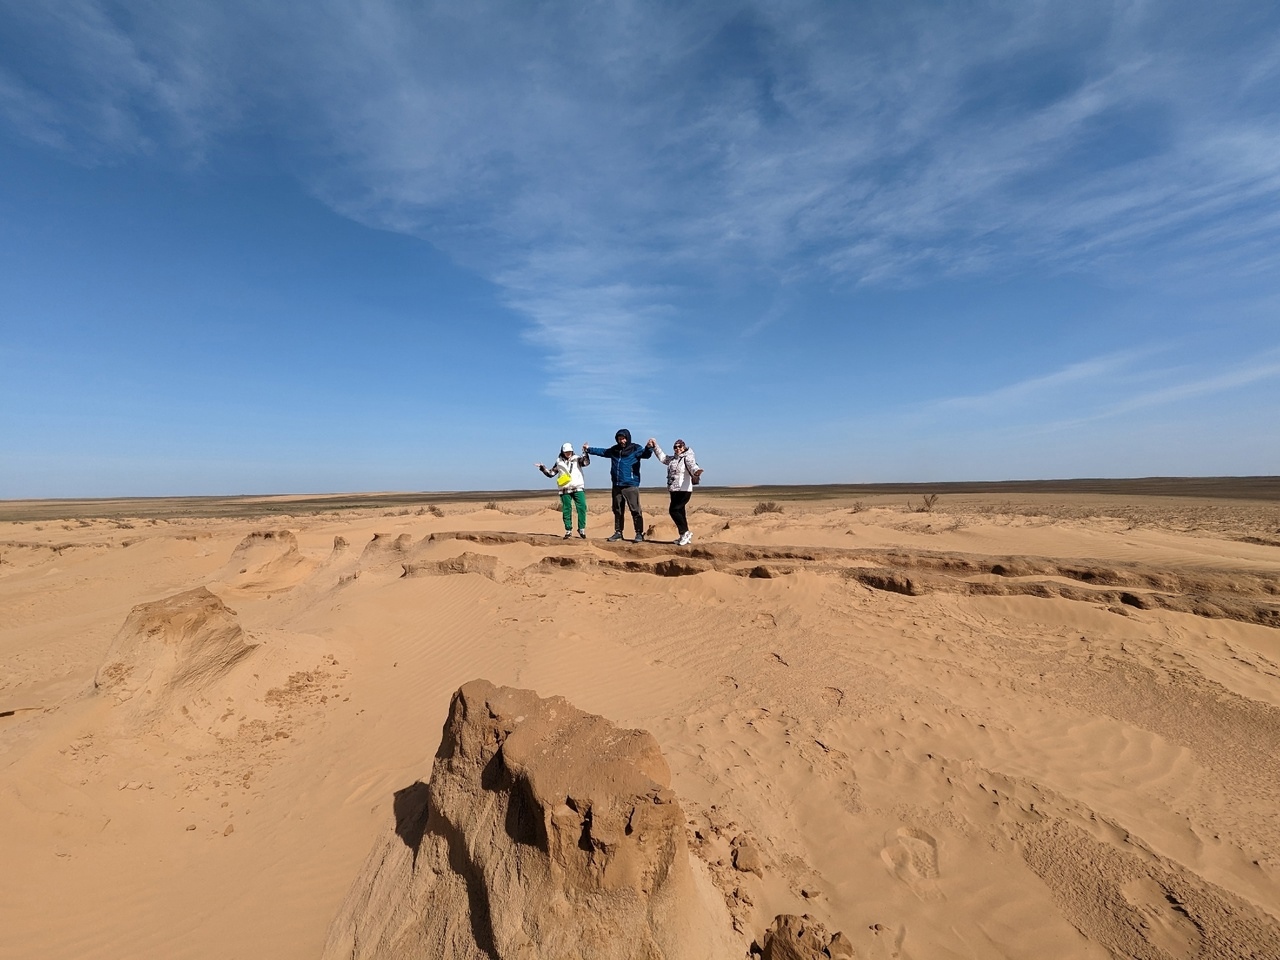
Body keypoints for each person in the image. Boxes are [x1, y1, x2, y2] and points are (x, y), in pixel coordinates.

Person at [584, 428, 652, 542]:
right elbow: (603, 452)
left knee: (635, 510)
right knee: (617, 510)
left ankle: (639, 533)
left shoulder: (635, 448)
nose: (622, 441)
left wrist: (649, 447)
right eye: (620, 439)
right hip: (616, 485)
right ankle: (618, 532)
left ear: (628, 438)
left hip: (630, 484)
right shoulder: (614, 450)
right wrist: (588, 449)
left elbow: (646, 454)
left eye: (624, 438)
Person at [648, 438, 703, 545]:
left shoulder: (687, 457)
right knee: (680, 512)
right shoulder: (673, 459)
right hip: (674, 489)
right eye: (675, 447)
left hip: (684, 489)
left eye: (680, 447)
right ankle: (683, 536)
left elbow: (692, 466)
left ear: (684, 447)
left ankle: (685, 532)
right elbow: (663, 458)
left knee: (674, 510)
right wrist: (655, 446)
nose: (677, 449)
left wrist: (697, 471)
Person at [536, 443, 590, 539]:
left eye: (569, 451)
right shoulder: (559, 462)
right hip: (564, 488)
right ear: (562, 452)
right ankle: (568, 530)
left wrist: (585, 452)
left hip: (578, 487)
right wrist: (542, 468)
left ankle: (581, 529)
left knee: (582, 507)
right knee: (566, 509)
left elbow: (586, 463)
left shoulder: (577, 459)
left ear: (572, 451)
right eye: (566, 452)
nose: (568, 453)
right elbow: (551, 473)